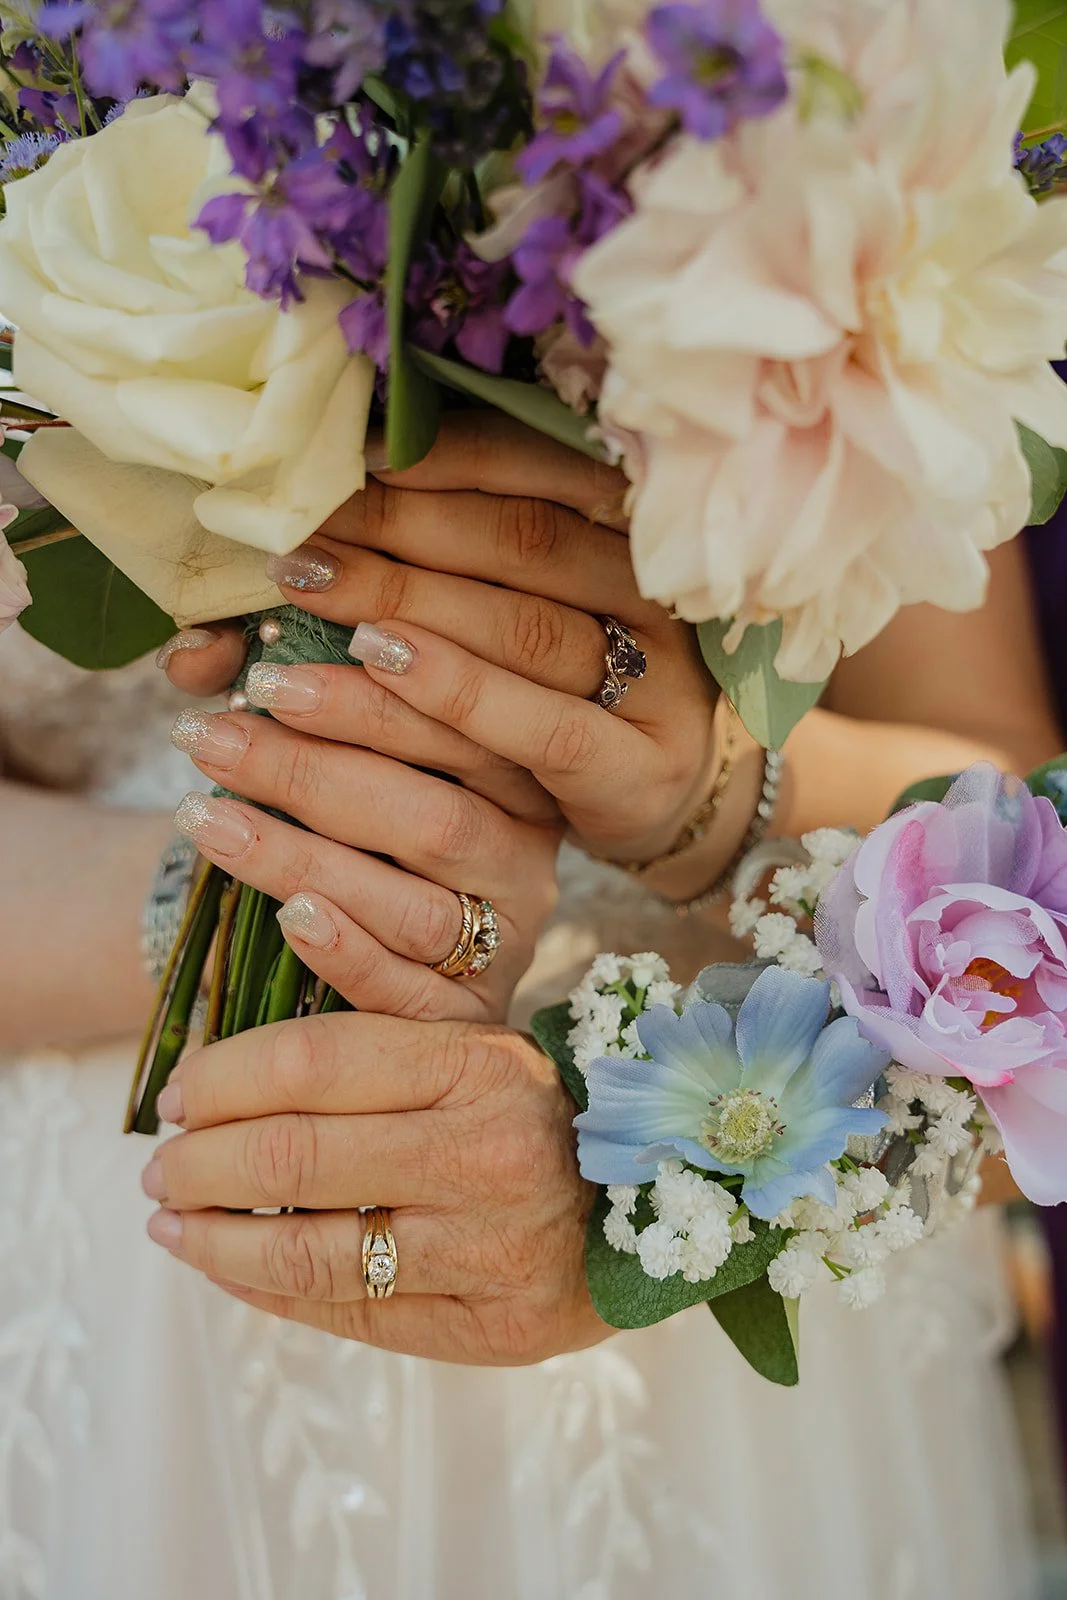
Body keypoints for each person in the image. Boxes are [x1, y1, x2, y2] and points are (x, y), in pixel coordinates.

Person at [0, 416, 1055, 1599]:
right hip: (131, 1267)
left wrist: (703, 799)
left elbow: (1009, 823)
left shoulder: (830, 248)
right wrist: (282, 888)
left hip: (724, 1297)